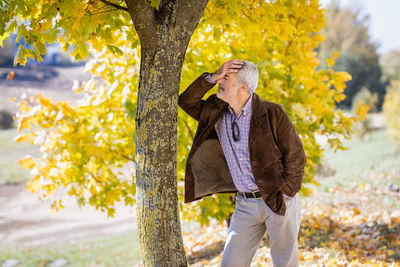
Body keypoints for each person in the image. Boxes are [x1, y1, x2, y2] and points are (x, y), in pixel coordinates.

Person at [178, 59, 307, 267]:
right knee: (230, 264)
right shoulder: (215, 112)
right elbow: (186, 101)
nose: (220, 80)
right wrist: (211, 76)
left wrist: (287, 193)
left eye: (226, 77)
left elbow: (296, 157)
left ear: (243, 86)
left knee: (285, 263)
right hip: (245, 205)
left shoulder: (273, 113)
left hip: (278, 198)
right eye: (220, 76)